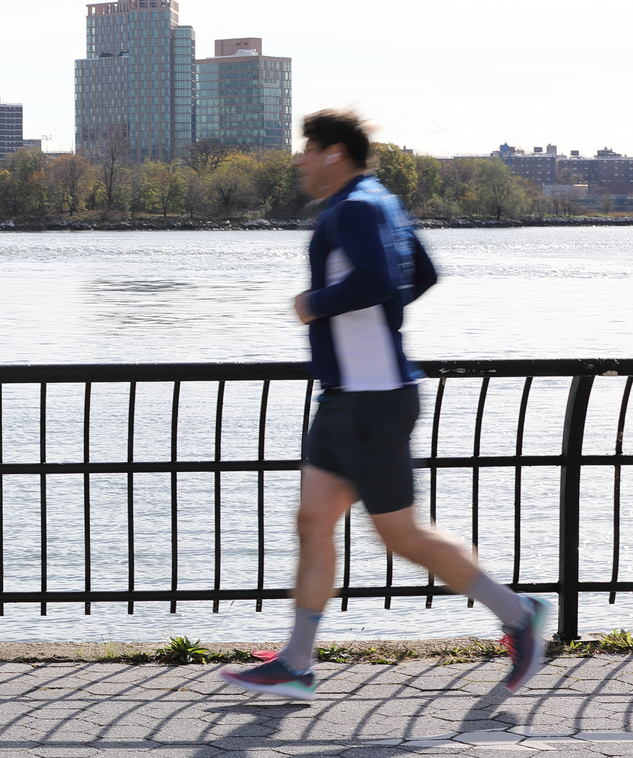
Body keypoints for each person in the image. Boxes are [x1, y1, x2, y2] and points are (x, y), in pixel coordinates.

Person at [219, 110, 550, 701]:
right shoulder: (383, 202)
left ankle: (519, 614)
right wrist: (376, 322)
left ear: (333, 154)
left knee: (402, 535)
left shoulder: (352, 208)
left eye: (307, 149)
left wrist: (314, 305)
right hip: (348, 395)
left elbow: (376, 281)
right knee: (314, 521)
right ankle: (296, 661)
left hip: (372, 400)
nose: (299, 160)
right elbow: (420, 273)